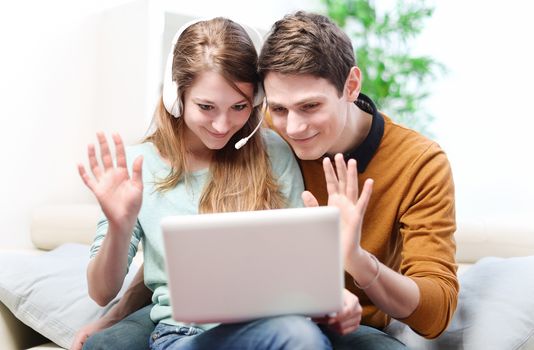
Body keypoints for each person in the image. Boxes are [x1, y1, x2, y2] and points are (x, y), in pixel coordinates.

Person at [74, 11, 459, 350]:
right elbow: (183, 247)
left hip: (323, 318)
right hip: (209, 325)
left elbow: (434, 311)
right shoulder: (253, 134)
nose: (292, 127)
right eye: (277, 108)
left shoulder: (416, 163)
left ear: (351, 86)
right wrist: (115, 311)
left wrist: (356, 262)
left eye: (311, 106)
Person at [73, 16, 348, 350]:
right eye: (206, 107)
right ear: (177, 97)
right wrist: (120, 225)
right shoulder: (137, 166)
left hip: (274, 330)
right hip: (182, 336)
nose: (222, 124)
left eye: (239, 107)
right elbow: (101, 291)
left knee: (298, 334)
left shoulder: (274, 151)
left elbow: (299, 272)